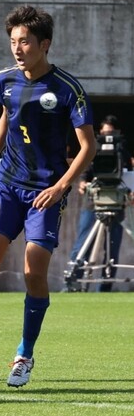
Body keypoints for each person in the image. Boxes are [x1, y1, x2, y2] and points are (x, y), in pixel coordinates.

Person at [0, 5, 96, 388]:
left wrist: (60, 187)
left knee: (32, 271)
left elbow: (88, 147)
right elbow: (8, 113)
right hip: (7, 182)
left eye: (25, 42)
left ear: (44, 44)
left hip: (45, 191)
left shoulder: (68, 89)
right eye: (13, 42)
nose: (17, 48)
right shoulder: (5, 79)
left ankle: (24, 354)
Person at [66, 116, 132, 292]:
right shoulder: (93, 149)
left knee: (112, 249)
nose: (107, 136)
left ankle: (104, 288)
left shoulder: (123, 152)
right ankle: (73, 284)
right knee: (83, 245)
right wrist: (82, 183)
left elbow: (128, 175)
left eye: (111, 132)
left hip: (117, 203)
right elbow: (84, 172)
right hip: (93, 204)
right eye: (104, 133)